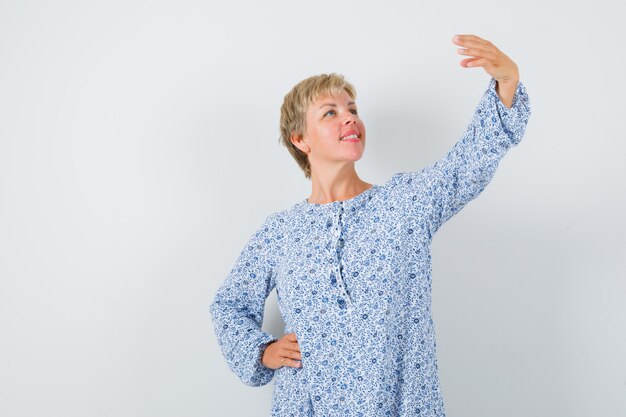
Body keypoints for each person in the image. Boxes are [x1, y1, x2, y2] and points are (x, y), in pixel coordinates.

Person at [209, 34, 531, 416]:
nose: (350, 118)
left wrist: (506, 84)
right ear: (300, 139)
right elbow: (228, 305)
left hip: (400, 403)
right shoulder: (280, 232)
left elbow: (465, 167)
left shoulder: (403, 203)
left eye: (353, 109)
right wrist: (262, 351)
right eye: (330, 112)